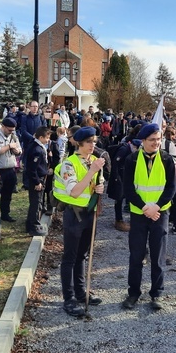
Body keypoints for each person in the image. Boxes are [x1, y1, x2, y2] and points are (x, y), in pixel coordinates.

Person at [121, 123, 176, 311]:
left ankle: (157, 293)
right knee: (136, 255)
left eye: (159, 139)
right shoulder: (132, 159)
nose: (156, 143)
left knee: (158, 255)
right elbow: (128, 189)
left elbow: (171, 188)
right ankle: (133, 293)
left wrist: (157, 207)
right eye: (152, 140)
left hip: (160, 214)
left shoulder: (167, 159)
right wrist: (145, 207)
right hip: (139, 213)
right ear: (143, 141)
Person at [52, 126, 105, 317]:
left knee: (82, 255)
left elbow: (95, 185)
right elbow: (74, 192)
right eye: (89, 142)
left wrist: (99, 187)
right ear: (79, 143)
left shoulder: (93, 162)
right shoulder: (69, 164)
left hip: (89, 213)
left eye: (94, 141)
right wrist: (92, 171)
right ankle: (69, 298)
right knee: (70, 256)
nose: (92, 145)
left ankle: (81, 293)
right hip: (73, 214)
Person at [0, 117, 22, 224]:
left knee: (7, 194)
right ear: (3, 126)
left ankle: (5, 214)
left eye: (13, 130)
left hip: (11, 169)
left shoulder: (14, 136)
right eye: (9, 130)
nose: (11, 132)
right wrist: (9, 146)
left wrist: (16, 150)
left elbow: (19, 151)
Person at [25, 127, 52, 236]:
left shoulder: (39, 147)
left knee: (36, 202)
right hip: (37, 180)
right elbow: (32, 168)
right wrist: (37, 182)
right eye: (47, 138)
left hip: (40, 178)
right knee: (36, 203)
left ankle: (30, 223)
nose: (48, 140)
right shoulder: (37, 150)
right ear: (40, 137)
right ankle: (33, 226)